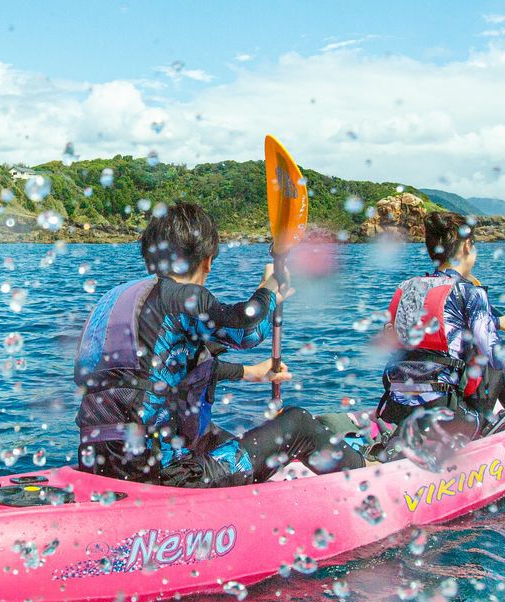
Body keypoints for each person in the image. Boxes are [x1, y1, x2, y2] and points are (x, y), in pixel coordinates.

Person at [74, 201, 366, 487]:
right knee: (298, 424)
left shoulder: (114, 301)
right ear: (207, 261)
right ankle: (369, 471)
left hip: (99, 462)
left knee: (219, 438)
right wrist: (270, 290)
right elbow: (246, 331)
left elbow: (159, 376)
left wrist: (250, 373)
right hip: (160, 473)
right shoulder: (182, 297)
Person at [375, 210, 505, 434]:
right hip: (446, 417)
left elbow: (436, 331)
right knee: (495, 370)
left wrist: (494, 322)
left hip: (397, 408)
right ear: (466, 247)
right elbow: (498, 359)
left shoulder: (407, 287)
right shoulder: (470, 293)